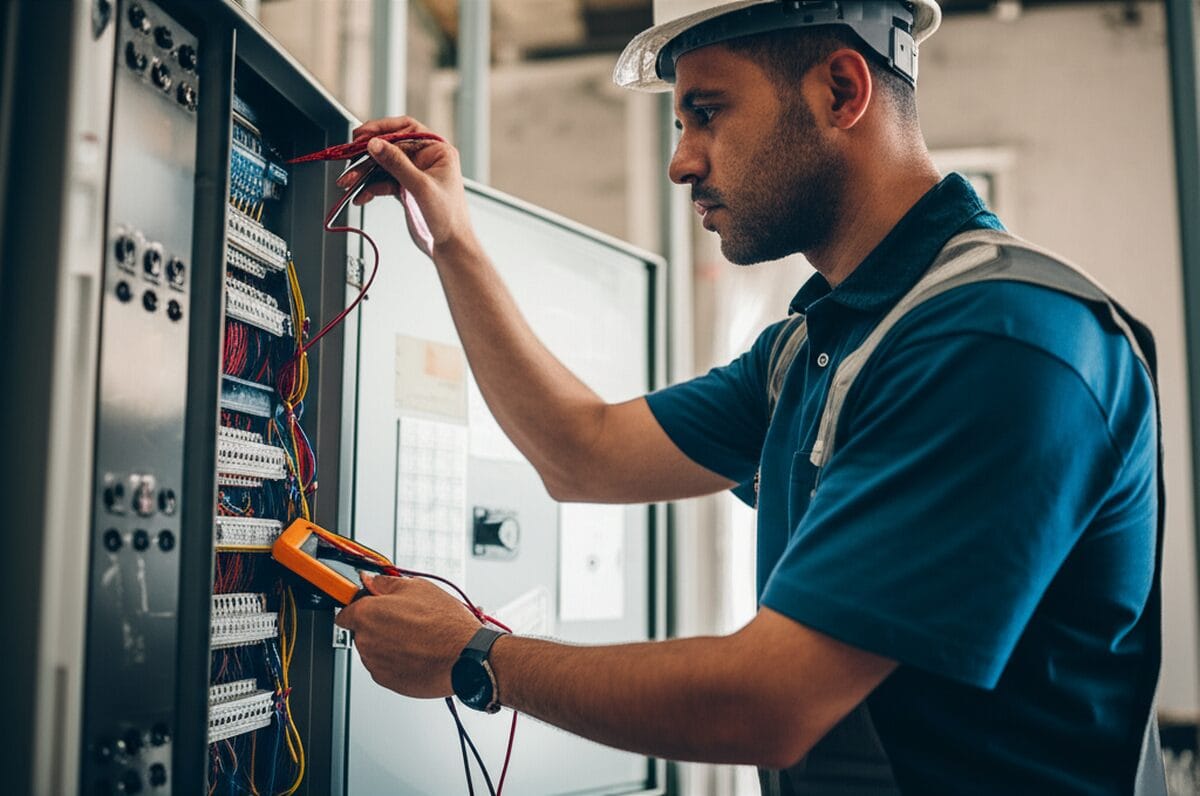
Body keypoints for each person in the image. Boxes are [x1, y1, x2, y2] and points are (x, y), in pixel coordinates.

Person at [334, 1, 1166, 792]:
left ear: (841, 90)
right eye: (680, 123)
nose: (681, 161)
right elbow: (581, 452)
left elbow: (769, 703)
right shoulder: (814, 348)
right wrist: (451, 237)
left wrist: (476, 658)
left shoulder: (996, 343)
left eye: (707, 112)